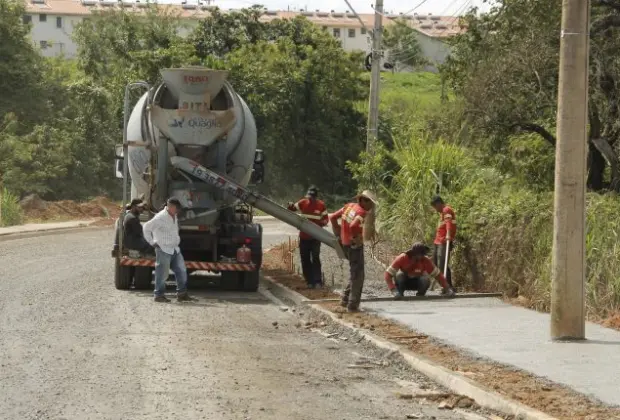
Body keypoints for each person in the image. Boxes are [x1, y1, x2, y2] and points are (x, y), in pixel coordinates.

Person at [329, 190, 377, 312]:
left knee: (354, 272)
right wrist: (356, 238)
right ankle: (353, 305)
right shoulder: (361, 212)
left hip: (345, 244)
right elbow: (354, 226)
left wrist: (338, 232)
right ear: (362, 201)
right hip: (354, 246)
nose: (371, 205)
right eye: (370, 202)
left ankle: (345, 299)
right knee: (358, 276)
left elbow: (333, 217)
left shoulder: (348, 207)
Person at [143, 197, 192, 303]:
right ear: (170, 207)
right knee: (162, 274)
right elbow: (146, 228)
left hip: (174, 249)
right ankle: (159, 295)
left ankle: (182, 294)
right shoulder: (160, 218)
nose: (178, 210)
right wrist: (152, 242)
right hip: (163, 249)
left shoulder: (174, 215)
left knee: (182, 271)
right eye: (177, 208)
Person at [287, 186, 328, 288]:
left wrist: (322, 222)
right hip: (304, 237)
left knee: (315, 258)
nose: (310, 199)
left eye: (312, 197)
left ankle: (318, 281)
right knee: (305, 258)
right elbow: (293, 208)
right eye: (309, 197)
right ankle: (309, 281)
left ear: (315, 197)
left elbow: (326, 219)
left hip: (315, 237)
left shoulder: (321, 205)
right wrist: (290, 205)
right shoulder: (303, 202)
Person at [384, 242, 455, 299]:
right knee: (400, 275)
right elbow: (387, 275)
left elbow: (438, 275)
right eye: (420, 254)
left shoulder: (425, 260)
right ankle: (399, 293)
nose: (422, 256)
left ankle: (420, 295)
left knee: (426, 279)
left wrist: (447, 288)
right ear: (414, 253)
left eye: (422, 254)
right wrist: (393, 290)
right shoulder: (402, 258)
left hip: (417, 283)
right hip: (404, 282)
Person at [431, 195, 457, 291]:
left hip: (444, 241)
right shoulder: (442, 213)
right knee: (436, 264)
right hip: (438, 241)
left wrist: (448, 235)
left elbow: (449, 223)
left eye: (435, 207)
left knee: (442, 264)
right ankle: (443, 284)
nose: (435, 209)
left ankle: (448, 286)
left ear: (438, 204)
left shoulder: (446, 210)